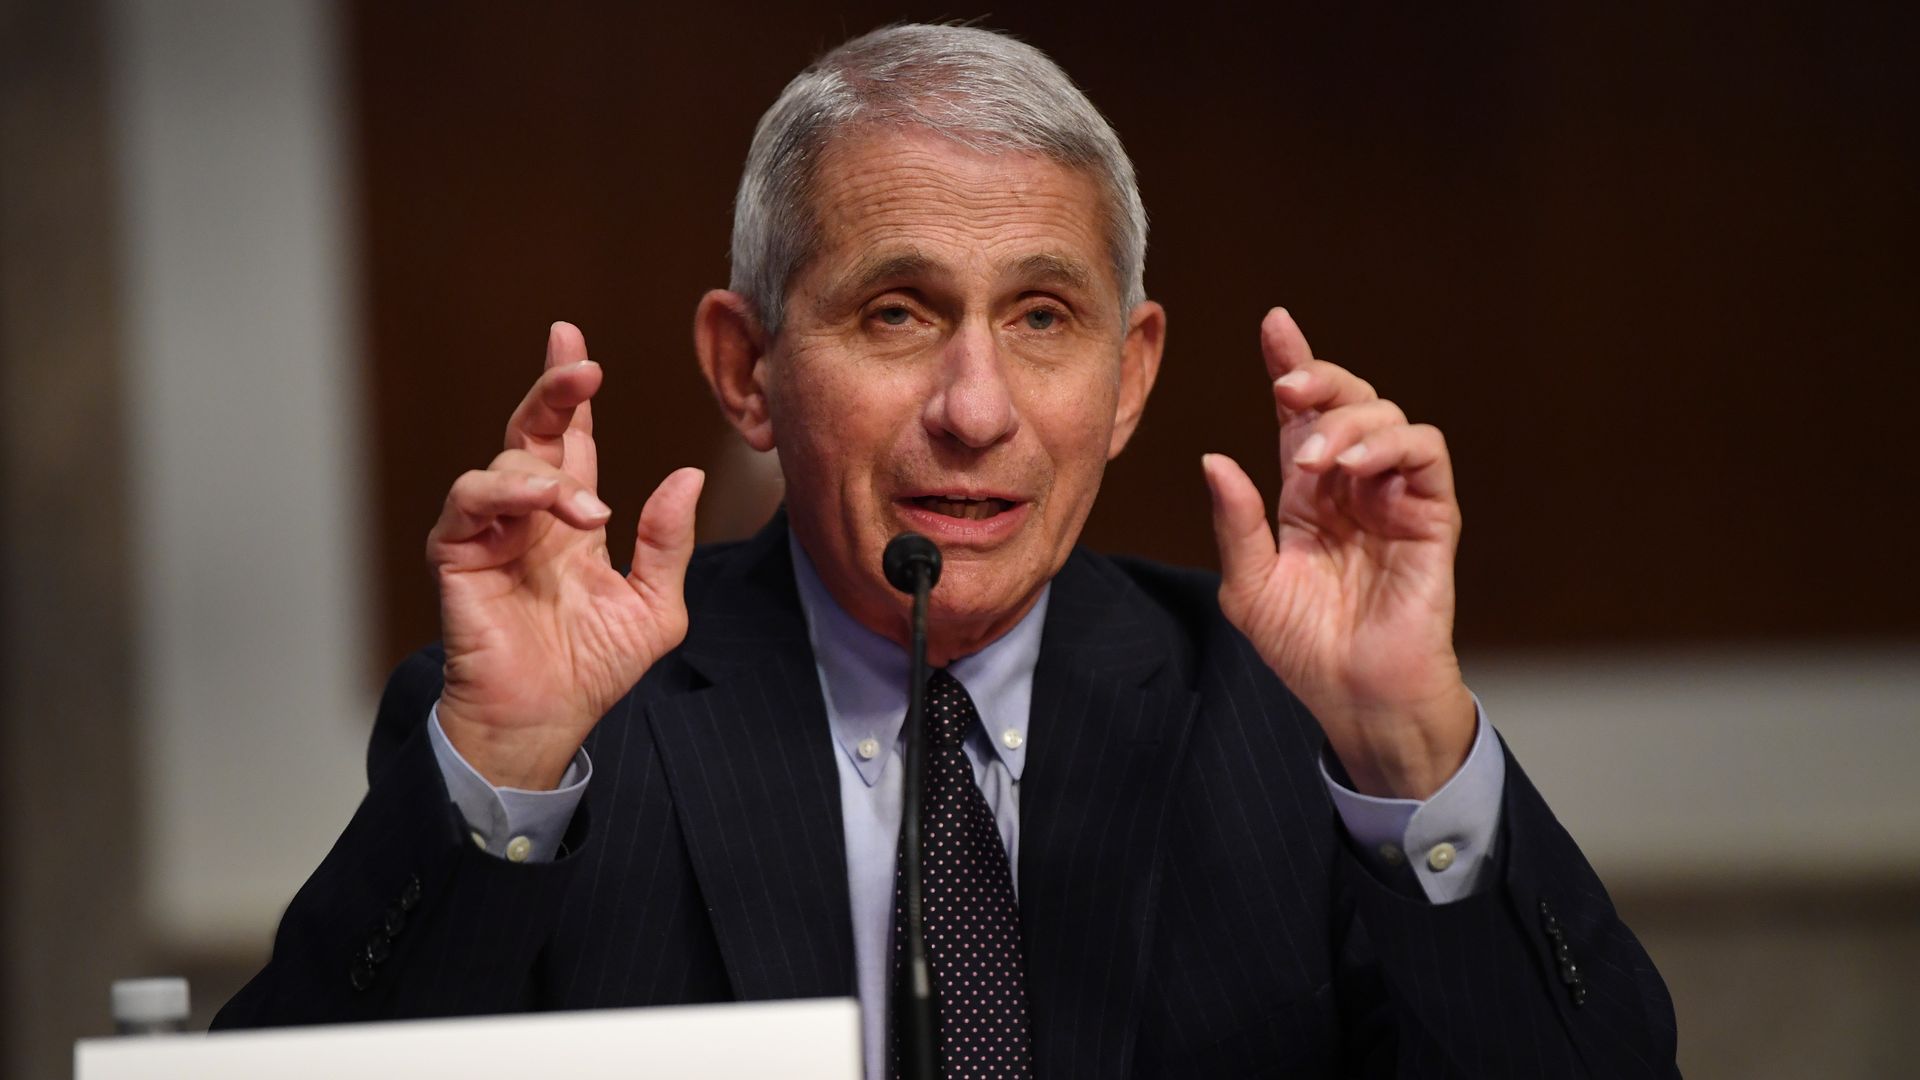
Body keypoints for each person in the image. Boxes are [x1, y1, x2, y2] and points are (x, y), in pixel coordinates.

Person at [216, 23, 1679, 1078]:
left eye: (1043, 318)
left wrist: (1409, 746)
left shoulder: (1287, 720)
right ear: (747, 371)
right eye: (898, 312)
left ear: (1130, 377)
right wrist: (510, 762)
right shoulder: (578, 730)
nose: (975, 410)